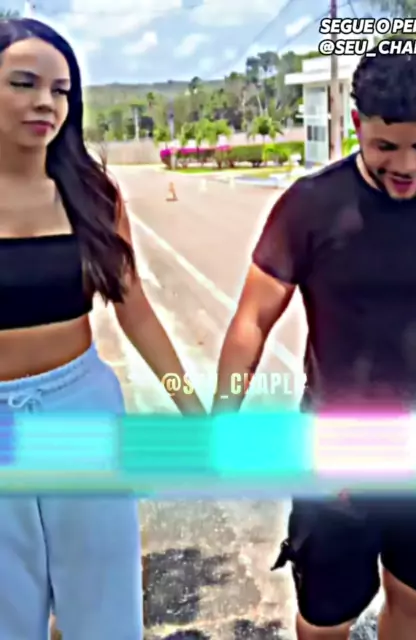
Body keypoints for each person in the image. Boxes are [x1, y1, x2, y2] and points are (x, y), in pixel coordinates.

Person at [213, 42, 416, 640]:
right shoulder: (310, 207)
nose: (406, 166)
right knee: (324, 618)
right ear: (355, 123)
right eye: (385, 146)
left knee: (412, 599)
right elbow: (253, 319)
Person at [0, 17, 205, 640]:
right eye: (24, 83)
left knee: (105, 613)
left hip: (81, 413)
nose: (46, 102)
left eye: (61, 90)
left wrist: (191, 407)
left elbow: (134, 307)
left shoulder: (92, 193)